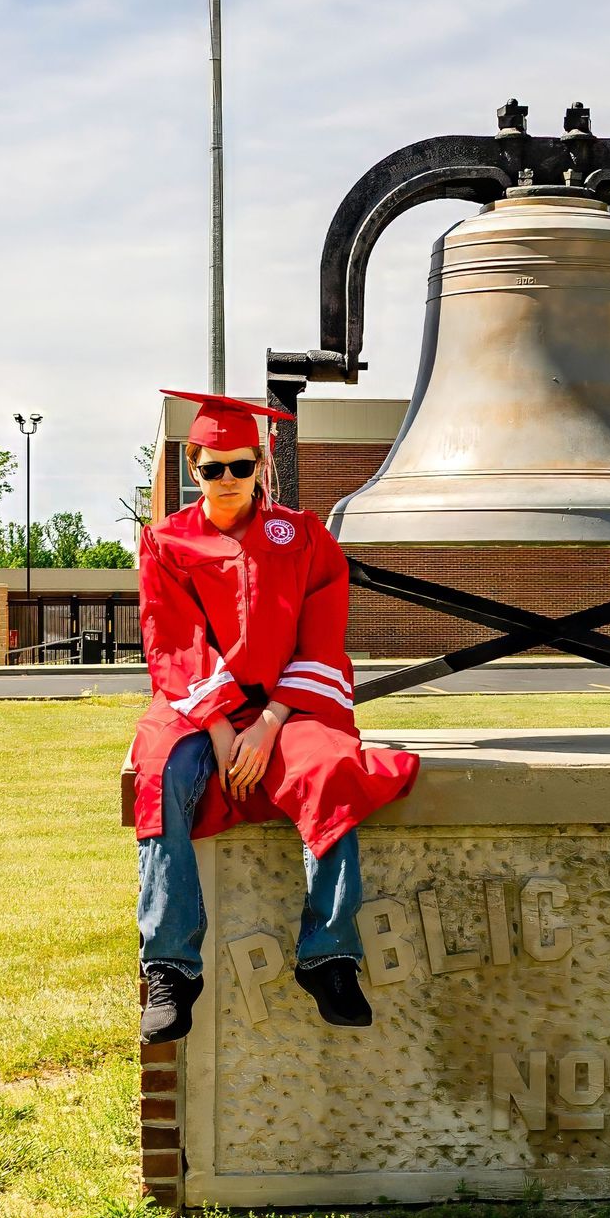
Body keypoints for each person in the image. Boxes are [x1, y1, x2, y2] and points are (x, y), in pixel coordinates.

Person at [131, 389, 418, 1045]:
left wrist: (268, 724)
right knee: (159, 774)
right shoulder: (167, 543)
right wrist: (226, 727)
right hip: (197, 705)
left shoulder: (303, 537)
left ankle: (329, 955)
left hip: (290, 702)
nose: (227, 479)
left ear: (261, 463)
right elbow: (173, 642)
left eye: (240, 465)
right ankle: (171, 967)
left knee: (331, 770)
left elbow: (321, 640)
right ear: (192, 466)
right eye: (212, 468)